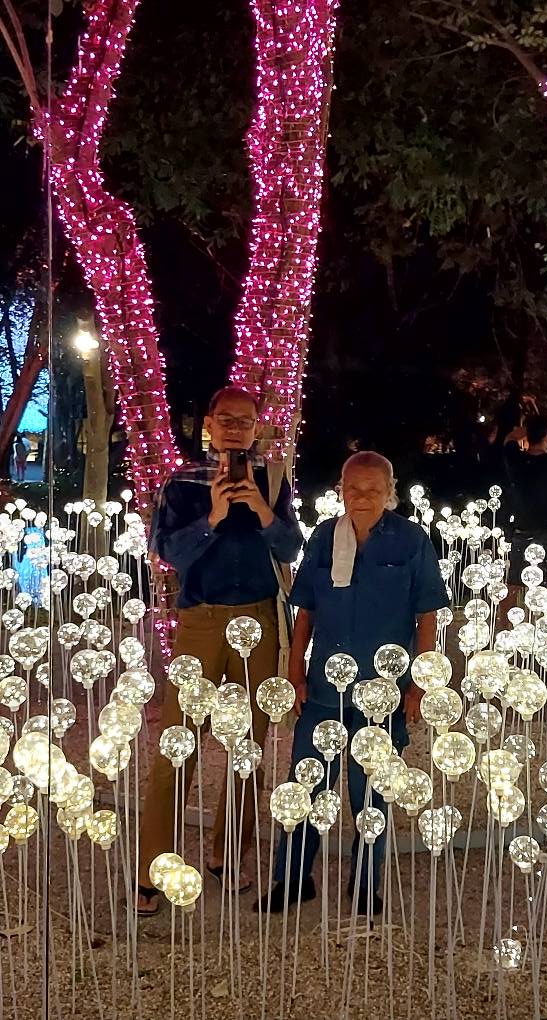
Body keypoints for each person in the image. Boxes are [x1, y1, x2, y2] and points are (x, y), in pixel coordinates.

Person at [260, 451, 449, 915]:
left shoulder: (411, 541)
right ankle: (292, 879)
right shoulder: (325, 537)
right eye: (353, 489)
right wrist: (295, 671)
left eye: (373, 490)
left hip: (382, 691)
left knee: (372, 792)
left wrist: (420, 684)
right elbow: (305, 610)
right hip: (325, 690)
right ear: (340, 491)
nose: (362, 498)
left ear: (390, 492)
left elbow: (427, 615)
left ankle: (365, 883)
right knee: (306, 784)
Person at [138, 386, 303, 913]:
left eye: (245, 420)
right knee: (177, 745)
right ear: (208, 424)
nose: (235, 427)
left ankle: (227, 854)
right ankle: (152, 868)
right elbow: (166, 551)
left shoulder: (272, 480)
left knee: (247, 749)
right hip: (202, 621)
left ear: (257, 427)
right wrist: (211, 517)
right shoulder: (183, 482)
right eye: (226, 418)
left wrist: (261, 510)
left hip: (260, 620)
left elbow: (291, 546)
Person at [504, 415, 547, 586]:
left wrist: (535, 427)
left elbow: (510, 437)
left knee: (515, 586)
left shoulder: (515, 461)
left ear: (527, 437)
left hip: (521, 534)